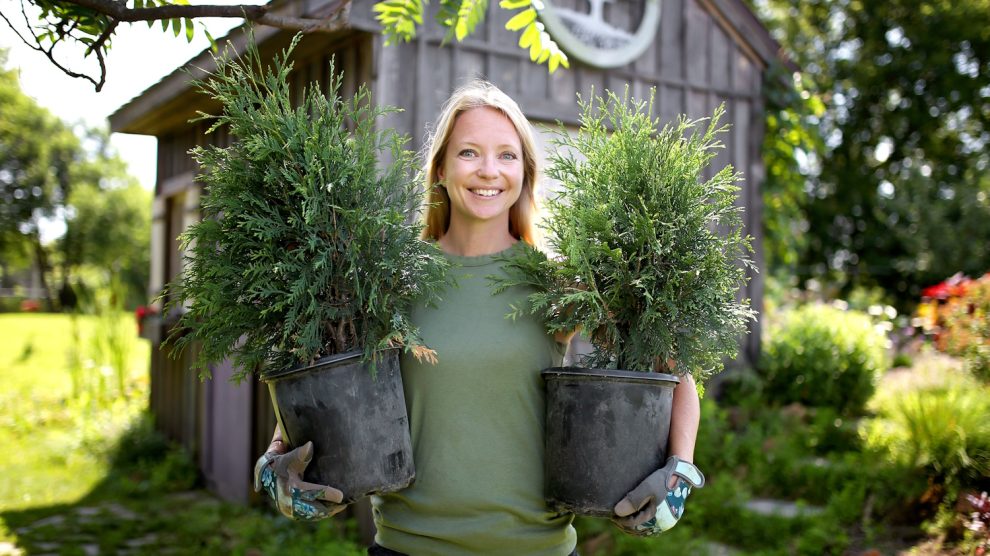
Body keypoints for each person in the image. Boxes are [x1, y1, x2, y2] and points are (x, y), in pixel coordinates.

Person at [252, 81, 704, 554]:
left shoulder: (559, 283)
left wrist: (679, 471)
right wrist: (275, 462)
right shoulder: (391, 284)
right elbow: (316, 383)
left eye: (507, 155)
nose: (489, 170)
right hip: (409, 547)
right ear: (441, 168)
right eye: (469, 152)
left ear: (524, 173)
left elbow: (672, 366)